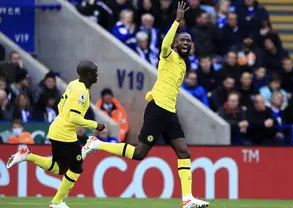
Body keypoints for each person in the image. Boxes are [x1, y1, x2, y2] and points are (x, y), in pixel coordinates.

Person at [81, 3, 209, 208]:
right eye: (182, 40)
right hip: (158, 107)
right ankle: (96, 144)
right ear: (176, 44)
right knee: (139, 153)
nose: (186, 42)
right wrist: (177, 22)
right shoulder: (168, 55)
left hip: (169, 112)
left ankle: (187, 199)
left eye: (188, 41)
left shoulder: (184, 64)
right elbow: (166, 44)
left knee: (183, 152)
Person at [6, 60, 105, 208]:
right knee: (77, 167)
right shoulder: (82, 92)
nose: (97, 75)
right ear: (88, 74)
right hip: (64, 133)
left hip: (59, 129)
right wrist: (95, 124)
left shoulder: (73, 84)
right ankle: (57, 202)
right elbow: (73, 117)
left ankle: (28, 155)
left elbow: (60, 106)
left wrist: (64, 119)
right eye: (95, 72)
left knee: (59, 168)